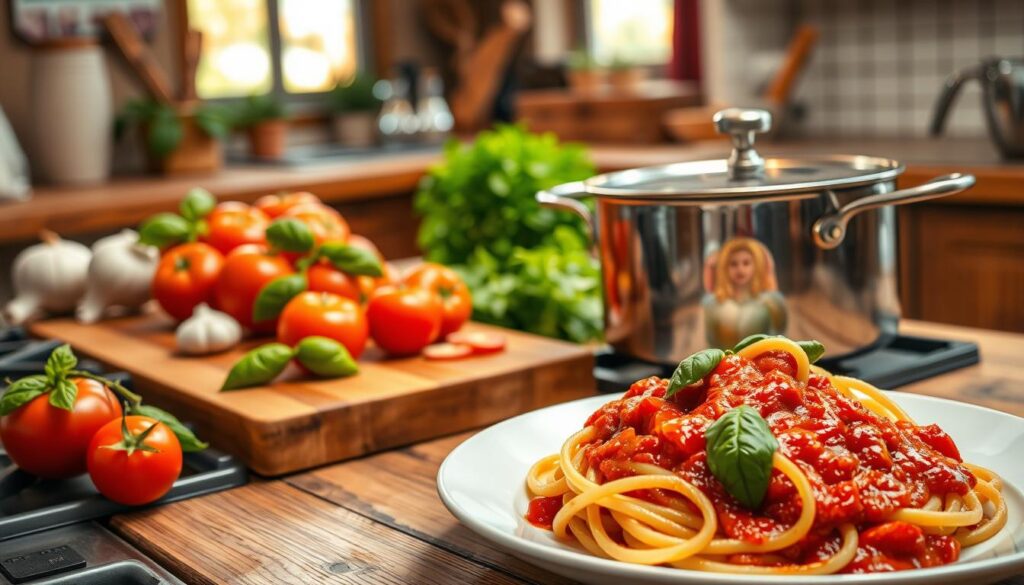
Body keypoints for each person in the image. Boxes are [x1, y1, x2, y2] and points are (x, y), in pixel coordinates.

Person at [702, 237, 787, 348]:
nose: (740, 269)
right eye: (733, 264)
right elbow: (711, 343)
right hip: (726, 363)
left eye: (746, 263)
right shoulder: (713, 304)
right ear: (724, 268)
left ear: (756, 266)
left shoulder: (772, 301)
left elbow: (781, 340)